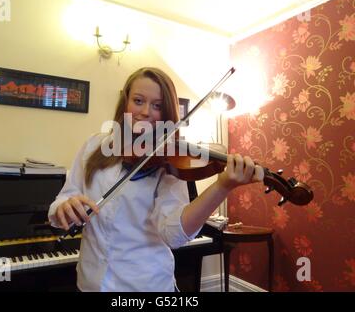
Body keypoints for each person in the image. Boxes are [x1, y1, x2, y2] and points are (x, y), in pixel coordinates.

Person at [48, 67, 264, 292]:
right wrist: (64, 207)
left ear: (167, 113)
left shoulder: (167, 162)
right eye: (138, 100)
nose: (145, 112)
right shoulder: (95, 145)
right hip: (89, 282)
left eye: (157, 105)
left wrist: (222, 186)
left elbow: (173, 235)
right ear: (126, 103)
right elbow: (64, 199)